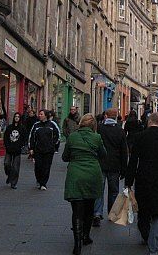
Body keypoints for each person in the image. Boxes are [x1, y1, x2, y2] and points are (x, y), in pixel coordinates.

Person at [125, 112, 158, 255]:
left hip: (142, 179)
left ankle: (146, 236)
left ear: (149, 121)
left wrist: (128, 182)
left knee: (143, 211)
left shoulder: (140, 137)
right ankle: (154, 247)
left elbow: (133, 161)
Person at [63, 113, 106, 254]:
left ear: (81, 123)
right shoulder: (97, 137)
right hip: (92, 174)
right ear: (93, 125)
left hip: (75, 174)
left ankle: (77, 245)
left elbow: (65, 157)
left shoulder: (72, 137)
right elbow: (103, 154)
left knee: (77, 211)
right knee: (89, 209)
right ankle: (86, 236)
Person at [93, 108, 128, 227]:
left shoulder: (99, 129)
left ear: (106, 116)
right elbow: (124, 151)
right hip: (115, 165)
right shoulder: (120, 131)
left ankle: (97, 213)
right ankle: (112, 214)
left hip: (100, 164)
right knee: (114, 191)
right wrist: (124, 169)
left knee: (99, 190)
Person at [28, 109, 60, 190]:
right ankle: (38, 180)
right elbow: (31, 137)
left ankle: (43, 183)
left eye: (41, 114)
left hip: (49, 150)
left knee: (46, 167)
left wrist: (53, 144)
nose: (39, 115)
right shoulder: (36, 125)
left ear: (46, 115)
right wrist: (31, 148)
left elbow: (57, 135)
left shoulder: (52, 125)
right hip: (38, 149)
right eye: (39, 114)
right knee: (38, 166)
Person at [3, 112, 26, 189]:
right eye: (15, 116)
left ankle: (13, 183)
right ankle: (9, 175)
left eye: (18, 117)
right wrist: (7, 145)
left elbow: (24, 138)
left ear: (20, 118)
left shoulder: (22, 128)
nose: (16, 118)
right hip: (9, 149)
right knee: (6, 164)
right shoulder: (9, 127)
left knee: (15, 168)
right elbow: (5, 137)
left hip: (17, 150)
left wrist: (21, 146)